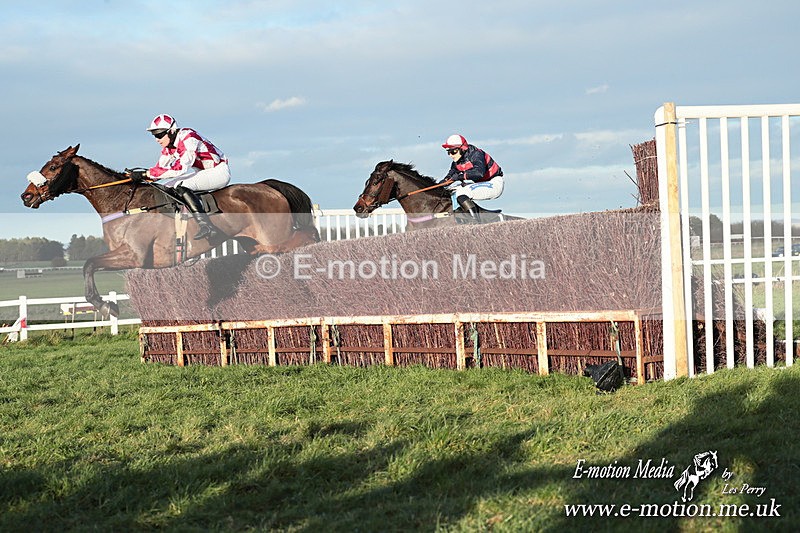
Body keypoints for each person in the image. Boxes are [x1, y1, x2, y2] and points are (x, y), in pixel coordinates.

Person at [144, 114, 230, 240]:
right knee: (166, 188)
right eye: (154, 135)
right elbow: (159, 169)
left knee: (180, 186)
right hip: (204, 173)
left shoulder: (188, 137)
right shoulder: (169, 147)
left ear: (172, 131)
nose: (157, 139)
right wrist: (140, 176)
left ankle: (206, 226)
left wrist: (149, 174)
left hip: (218, 171)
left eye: (159, 135)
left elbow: (180, 169)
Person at [439, 134, 504, 222]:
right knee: (452, 191)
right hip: (481, 183)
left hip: (494, 183)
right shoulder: (456, 163)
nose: (450, 155)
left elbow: (479, 173)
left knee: (462, 192)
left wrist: (459, 177)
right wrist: (441, 184)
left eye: (453, 151)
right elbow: (450, 177)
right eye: (448, 152)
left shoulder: (476, 154)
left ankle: (474, 223)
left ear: (462, 148)